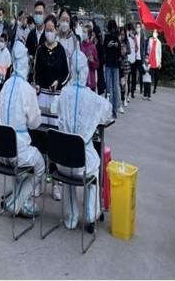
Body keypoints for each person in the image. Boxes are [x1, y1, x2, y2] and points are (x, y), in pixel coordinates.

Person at [55, 50, 111, 232]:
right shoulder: (92, 98)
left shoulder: (64, 93)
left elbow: (56, 110)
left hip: (62, 161)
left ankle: (70, 217)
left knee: (69, 167)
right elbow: (107, 111)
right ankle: (90, 215)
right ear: (86, 71)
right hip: (82, 165)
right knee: (95, 167)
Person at [0, 41, 44, 217]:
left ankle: (19, 200)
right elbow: (35, 123)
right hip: (17, 152)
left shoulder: (6, 85)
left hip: (0, 150)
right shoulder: (27, 89)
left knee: (23, 162)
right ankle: (16, 202)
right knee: (39, 165)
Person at [34, 15, 69, 125]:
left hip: (56, 96)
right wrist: (37, 84)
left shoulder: (61, 50)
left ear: (56, 30)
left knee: (55, 127)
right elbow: (36, 72)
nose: (49, 33)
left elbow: (66, 73)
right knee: (41, 127)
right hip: (42, 96)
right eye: (47, 30)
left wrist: (58, 82)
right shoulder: (40, 50)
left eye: (51, 30)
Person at [103, 20, 122, 118]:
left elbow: (120, 53)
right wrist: (108, 45)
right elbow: (104, 50)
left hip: (115, 64)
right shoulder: (106, 37)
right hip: (108, 64)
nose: (113, 30)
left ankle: (114, 109)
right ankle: (108, 109)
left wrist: (117, 46)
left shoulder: (117, 37)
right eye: (112, 28)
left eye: (114, 28)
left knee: (115, 88)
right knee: (109, 88)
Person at [80, 23, 99, 91]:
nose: (83, 34)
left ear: (88, 35)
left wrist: (92, 61)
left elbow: (97, 65)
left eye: (85, 32)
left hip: (91, 80)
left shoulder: (93, 47)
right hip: (82, 80)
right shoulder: (80, 46)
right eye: (83, 32)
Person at [147, 29, 162, 94]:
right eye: (153, 32)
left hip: (156, 60)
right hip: (150, 59)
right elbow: (148, 49)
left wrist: (160, 62)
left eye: (155, 33)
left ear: (157, 34)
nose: (154, 34)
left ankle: (155, 88)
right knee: (150, 75)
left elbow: (160, 53)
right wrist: (147, 57)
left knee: (156, 76)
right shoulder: (150, 40)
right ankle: (149, 87)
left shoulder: (159, 42)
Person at [133, 22, 146, 96]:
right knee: (134, 73)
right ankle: (134, 87)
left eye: (139, 27)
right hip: (135, 57)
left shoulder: (142, 35)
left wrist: (144, 58)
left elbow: (143, 47)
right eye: (136, 27)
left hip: (140, 57)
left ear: (140, 28)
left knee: (141, 74)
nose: (137, 28)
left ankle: (141, 88)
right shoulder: (134, 36)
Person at [119, 41, 131, 110]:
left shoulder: (126, 41)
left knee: (125, 82)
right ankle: (121, 98)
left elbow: (129, 51)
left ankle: (125, 98)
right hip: (120, 63)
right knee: (120, 83)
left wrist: (124, 50)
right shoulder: (118, 40)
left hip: (125, 62)